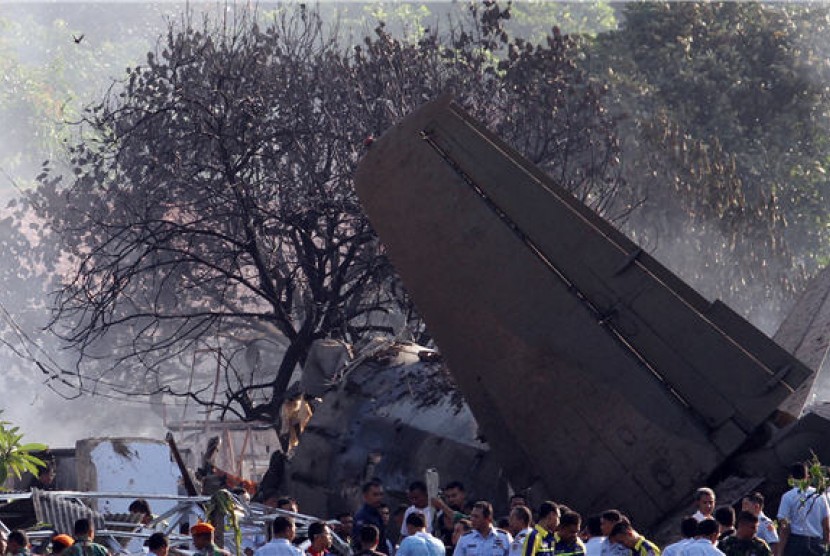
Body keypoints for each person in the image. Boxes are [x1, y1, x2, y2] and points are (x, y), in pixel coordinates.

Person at [777, 462, 830, 556]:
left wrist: (780, 552)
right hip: (816, 544)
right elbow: (826, 526)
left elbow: (785, 528)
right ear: (807, 476)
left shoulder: (787, 497)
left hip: (796, 544)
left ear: (791, 477)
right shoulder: (820, 496)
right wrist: (826, 545)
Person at [354, 481, 389, 555]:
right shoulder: (361, 516)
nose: (379, 498)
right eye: (375, 495)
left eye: (381, 494)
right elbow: (358, 543)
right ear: (365, 496)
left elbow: (382, 542)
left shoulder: (377, 515)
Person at [433, 482, 470, 548]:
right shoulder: (442, 517)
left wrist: (442, 506)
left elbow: (467, 521)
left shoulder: (471, 509)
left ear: (463, 494)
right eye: (448, 497)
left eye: (454, 496)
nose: (451, 499)